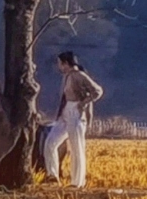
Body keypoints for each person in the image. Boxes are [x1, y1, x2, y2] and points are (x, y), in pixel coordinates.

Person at [42, 50, 104, 187]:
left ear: (65, 63)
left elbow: (98, 91)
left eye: (60, 63)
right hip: (64, 113)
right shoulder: (67, 76)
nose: (58, 66)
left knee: (77, 148)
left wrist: (82, 104)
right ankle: (52, 176)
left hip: (76, 113)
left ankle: (78, 183)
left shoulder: (79, 76)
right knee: (50, 142)